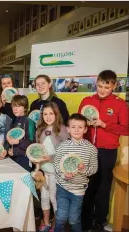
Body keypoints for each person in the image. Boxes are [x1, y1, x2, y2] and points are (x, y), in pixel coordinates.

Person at [79, 70, 129, 231]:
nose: (102, 90)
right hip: (87, 148)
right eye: (100, 86)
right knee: (87, 184)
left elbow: (126, 128)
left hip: (107, 151)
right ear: (96, 83)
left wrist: (104, 124)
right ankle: (85, 218)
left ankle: (99, 220)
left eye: (106, 87)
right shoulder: (87, 100)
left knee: (103, 186)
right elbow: (79, 123)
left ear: (114, 86)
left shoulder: (119, 104)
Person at [53, 114, 98, 232]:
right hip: (62, 187)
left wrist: (83, 169)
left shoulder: (91, 149)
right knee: (61, 217)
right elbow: (56, 166)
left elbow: (93, 169)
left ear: (85, 129)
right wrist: (63, 174)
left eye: (80, 127)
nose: (76, 130)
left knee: (74, 219)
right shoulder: (62, 147)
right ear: (68, 129)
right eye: (73, 127)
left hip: (78, 190)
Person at [36, 102, 70, 232]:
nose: (48, 116)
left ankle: (56, 224)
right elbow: (36, 150)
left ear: (56, 114)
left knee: (54, 198)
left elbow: (66, 153)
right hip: (44, 172)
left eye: (51, 113)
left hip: (56, 172)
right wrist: (37, 167)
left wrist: (50, 158)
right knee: (44, 198)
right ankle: (46, 222)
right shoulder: (40, 130)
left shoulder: (62, 130)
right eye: (45, 114)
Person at [7, 95, 36, 172]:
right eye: (13, 106)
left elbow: (32, 144)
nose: (15, 109)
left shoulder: (29, 122)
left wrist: (18, 142)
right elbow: (11, 142)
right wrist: (10, 151)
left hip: (25, 159)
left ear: (25, 108)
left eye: (19, 106)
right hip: (13, 158)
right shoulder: (12, 122)